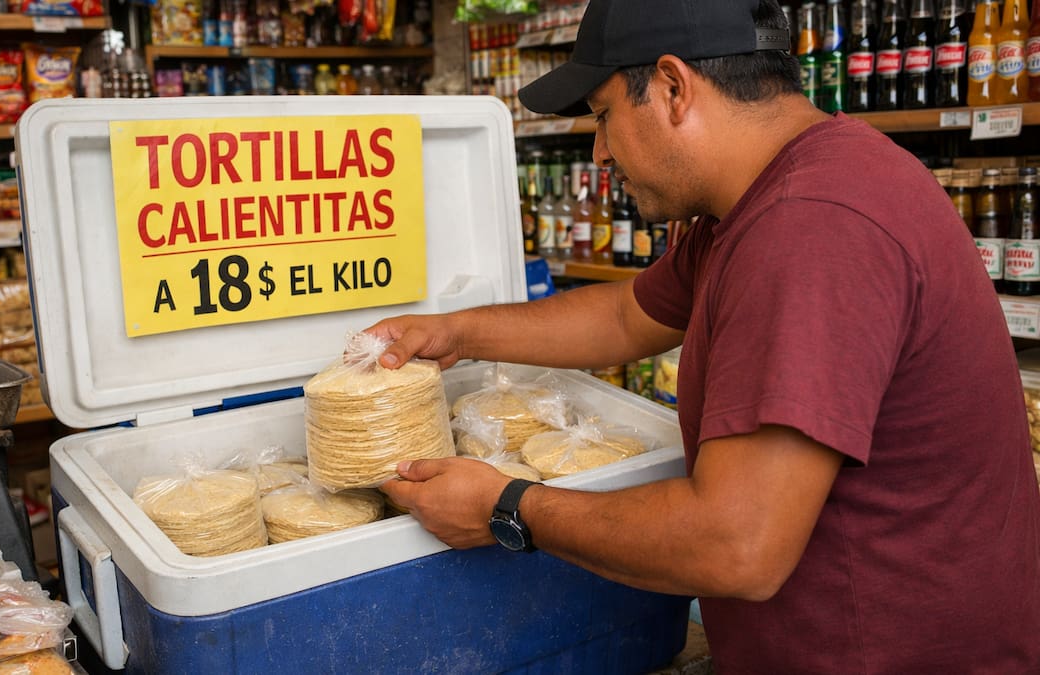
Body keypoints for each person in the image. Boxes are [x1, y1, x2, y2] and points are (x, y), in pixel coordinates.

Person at [371, 0, 1040, 671]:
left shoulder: (809, 226)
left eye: (603, 115)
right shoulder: (757, 199)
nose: (599, 149)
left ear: (672, 87)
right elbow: (626, 316)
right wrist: (457, 330)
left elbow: (736, 543)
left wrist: (506, 505)